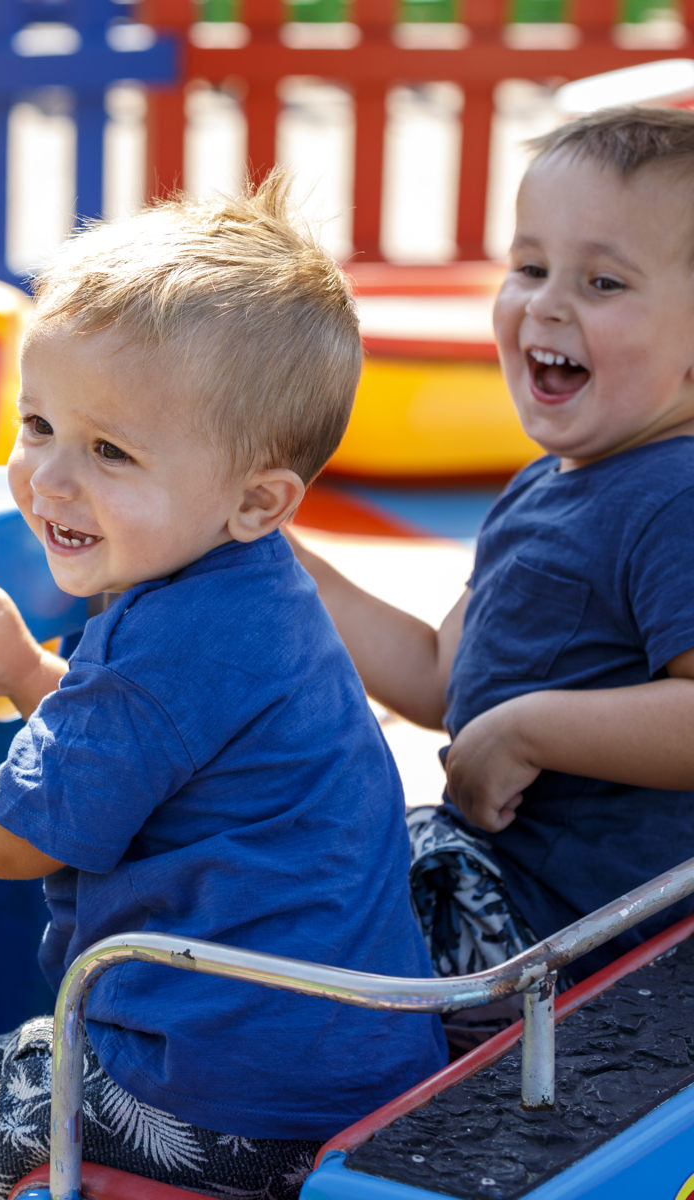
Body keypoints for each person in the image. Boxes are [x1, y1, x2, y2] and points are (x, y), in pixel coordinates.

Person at [0, 172, 446, 1200]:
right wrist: (25, 673)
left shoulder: (167, 640)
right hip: (351, 1049)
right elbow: (165, 759)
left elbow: (12, 837)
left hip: (218, 1092)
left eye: (110, 450)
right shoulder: (247, 588)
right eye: (38, 423)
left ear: (257, 498)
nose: (49, 479)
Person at [289, 104, 694, 999]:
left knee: (267, 885)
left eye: (604, 284)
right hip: (496, 899)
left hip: (572, 946)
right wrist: (295, 571)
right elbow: (443, 678)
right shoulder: (551, 483)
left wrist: (530, 728)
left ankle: (196, 1103)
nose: (546, 301)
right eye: (531, 267)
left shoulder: (676, 494)